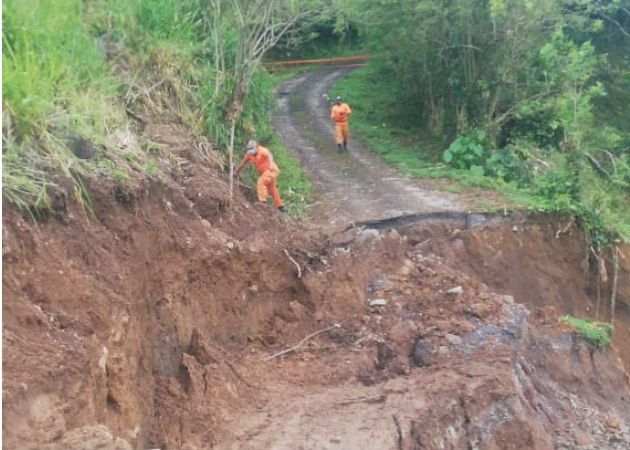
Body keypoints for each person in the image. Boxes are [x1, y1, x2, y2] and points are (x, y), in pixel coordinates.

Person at [234, 140, 286, 212]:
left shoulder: (262, 150)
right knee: (272, 188)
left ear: (257, 147)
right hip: (265, 173)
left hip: (271, 170)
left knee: (260, 182)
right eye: (249, 148)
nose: (250, 150)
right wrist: (236, 171)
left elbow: (270, 155)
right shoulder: (249, 154)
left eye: (252, 148)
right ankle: (280, 206)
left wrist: (270, 165)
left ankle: (262, 202)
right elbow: (243, 162)